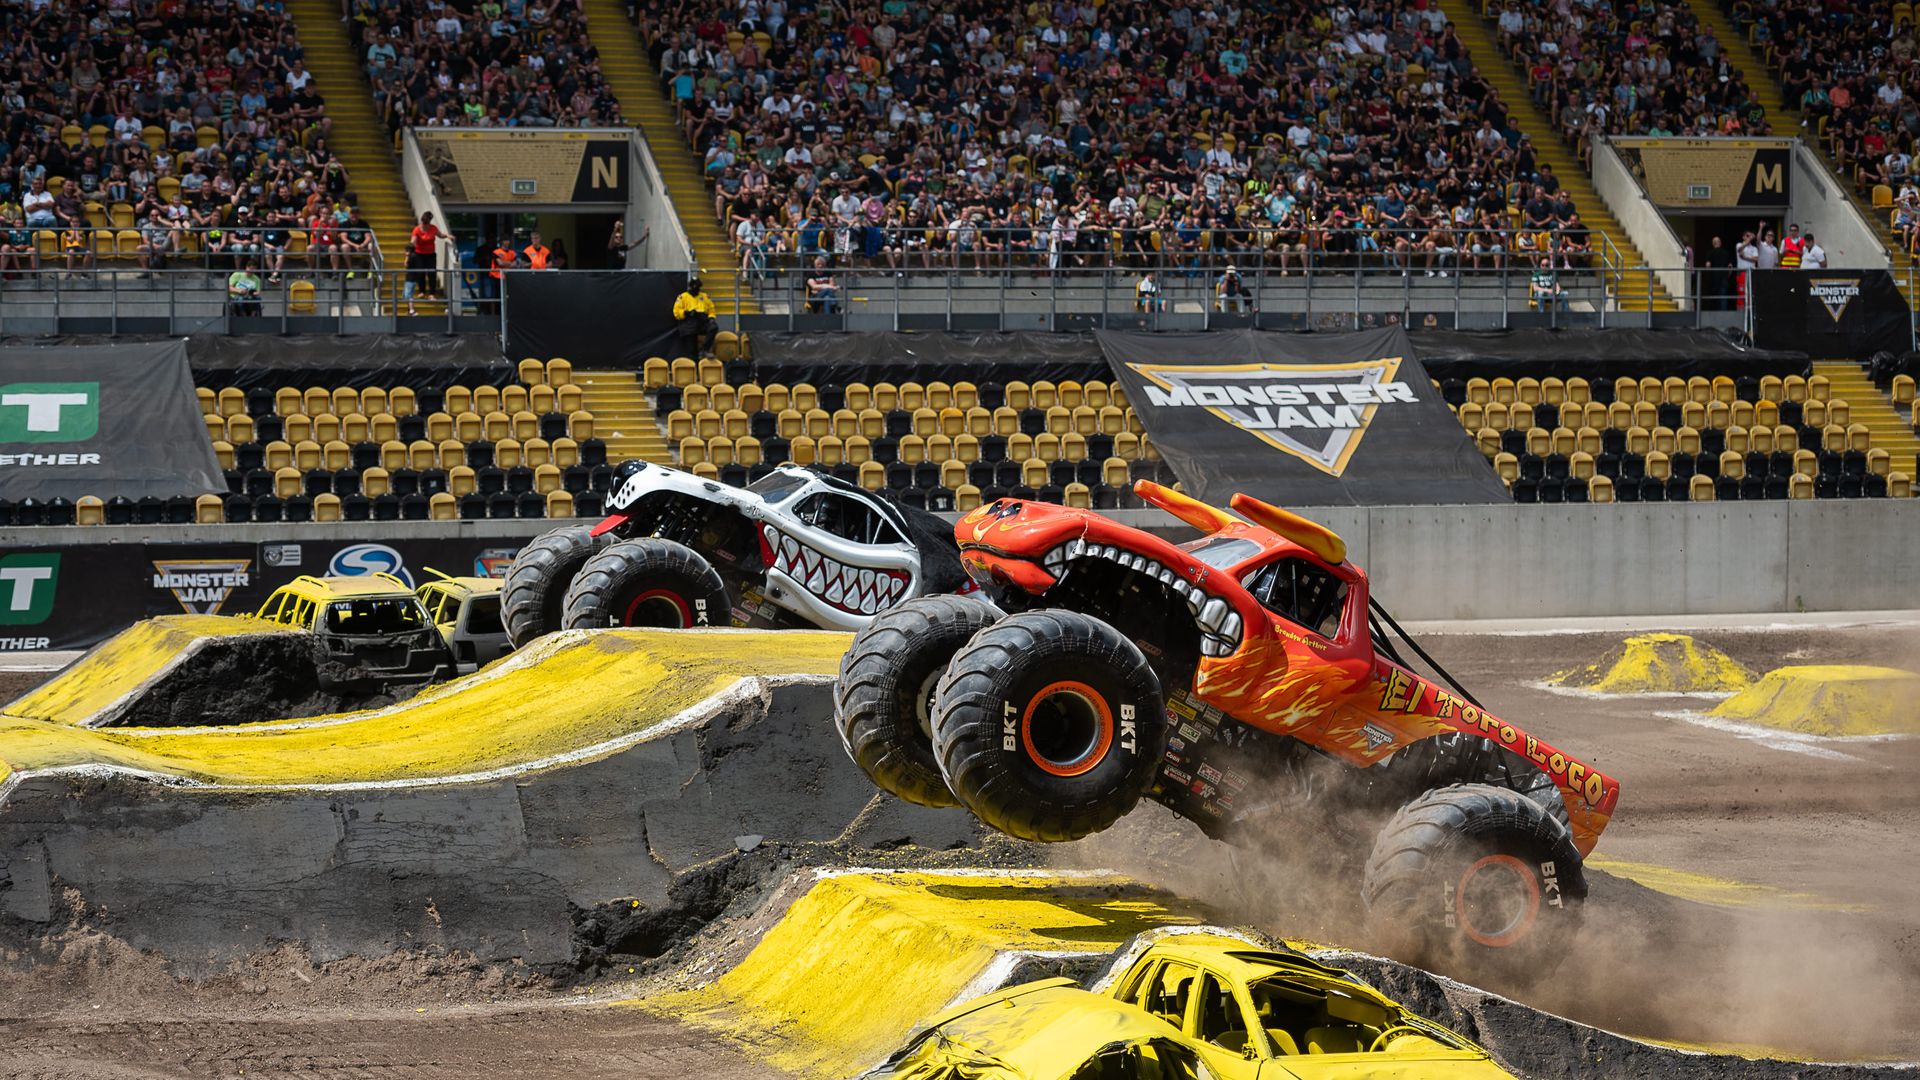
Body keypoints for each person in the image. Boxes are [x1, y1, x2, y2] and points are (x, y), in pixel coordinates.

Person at [406, 211, 443, 312]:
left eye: (426, 223)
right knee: (420, 272)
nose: (424, 225)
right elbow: (413, 241)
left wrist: (448, 236)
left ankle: (432, 293)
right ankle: (422, 291)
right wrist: (409, 251)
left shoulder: (433, 228)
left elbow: (440, 235)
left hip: (430, 254)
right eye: (423, 222)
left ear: (429, 222)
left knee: (432, 273)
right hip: (419, 254)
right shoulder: (417, 230)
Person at [673, 275, 718, 357]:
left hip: (702, 320)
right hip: (689, 322)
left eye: (697, 287)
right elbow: (676, 312)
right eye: (693, 286)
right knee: (692, 348)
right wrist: (686, 313)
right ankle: (694, 361)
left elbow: (712, 309)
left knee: (713, 327)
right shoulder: (682, 297)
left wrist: (711, 318)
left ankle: (705, 349)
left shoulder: (704, 297)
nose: (694, 289)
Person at [1699, 235, 1735, 311]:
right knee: (1723, 298)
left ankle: (1713, 317)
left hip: (1713, 279)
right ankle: (1723, 316)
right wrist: (1727, 275)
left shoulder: (1710, 253)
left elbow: (1708, 265)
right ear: (1720, 243)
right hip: (1724, 279)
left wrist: (1709, 275)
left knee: (1713, 299)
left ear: (1713, 244)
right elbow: (1730, 266)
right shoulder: (1726, 252)